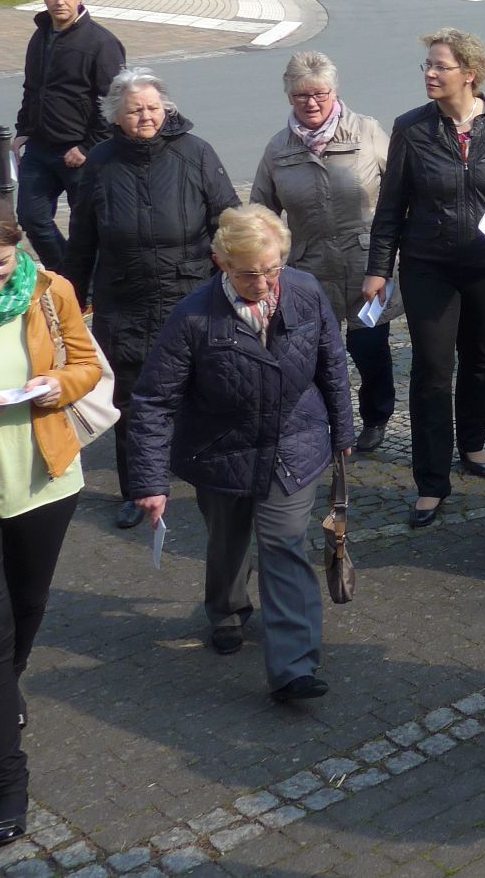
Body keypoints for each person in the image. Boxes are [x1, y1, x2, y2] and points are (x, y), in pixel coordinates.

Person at [129, 205, 353, 704]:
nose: (265, 283)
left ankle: (293, 668)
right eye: (250, 273)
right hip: (219, 449)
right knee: (227, 540)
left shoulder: (305, 290)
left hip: (292, 443)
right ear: (221, 264)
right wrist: (150, 481)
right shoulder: (192, 317)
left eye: (272, 269)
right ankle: (228, 610)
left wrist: (342, 430)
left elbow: (331, 362)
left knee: (284, 546)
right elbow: (154, 401)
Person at [0, 193, 100, 850]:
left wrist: (57, 387)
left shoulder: (49, 291)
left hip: (45, 480)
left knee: (27, 605)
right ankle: (9, 784)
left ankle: (7, 682)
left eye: (1, 263)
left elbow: (86, 365)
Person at [364, 29, 485, 529]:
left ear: (469, 73)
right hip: (429, 265)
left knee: (482, 360)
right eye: (427, 65)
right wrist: (378, 269)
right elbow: (391, 206)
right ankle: (430, 481)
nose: (429, 73)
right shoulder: (411, 128)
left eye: (440, 66)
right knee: (432, 370)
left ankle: (472, 442)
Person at [63, 67, 237, 528]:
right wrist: (68, 300)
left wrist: (239, 281)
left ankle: (211, 474)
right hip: (125, 300)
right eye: (135, 110)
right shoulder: (100, 163)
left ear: (166, 108)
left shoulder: (196, 153)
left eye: (153, 108)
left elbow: (228, 220)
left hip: (190, 296)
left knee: (205, 388)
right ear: (115, 116)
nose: (146, 116)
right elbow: (82, 239)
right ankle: (137, 489)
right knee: (132, 400)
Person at [251, 51, 397, 456]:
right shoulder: (278, 149)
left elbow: (401, 190)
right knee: (316, 356)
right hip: (309, 270)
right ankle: (328, 421)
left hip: (367, 267)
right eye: (301, 95)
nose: (311, 103)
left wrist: (393, 252)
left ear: (335, 92)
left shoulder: (367, 132)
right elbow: (261, 213)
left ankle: (376, 417)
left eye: (320, 94)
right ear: (289, 97)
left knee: (370, 350)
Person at [10, 0, 125, 275]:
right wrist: (23, 130)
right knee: (32, 218)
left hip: (80, 153)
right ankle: (69, 279)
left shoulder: (101, 42)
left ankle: (85, 285)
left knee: (86, 227)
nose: (59, 2)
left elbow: (113, 101)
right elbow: (32, 88)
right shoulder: (41, 35)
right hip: (40, 148)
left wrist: (88, 146)